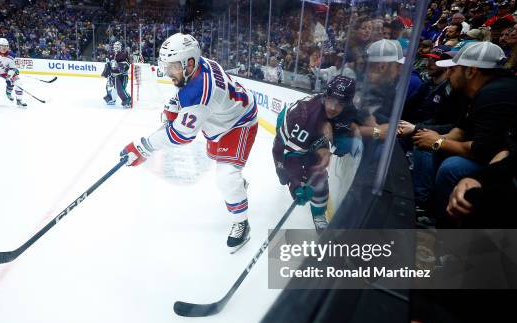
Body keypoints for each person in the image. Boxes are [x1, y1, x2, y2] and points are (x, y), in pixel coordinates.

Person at [119, 33, 258, 253]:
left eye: (172, 67)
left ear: (189, 63)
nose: (167, 72)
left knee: (226, 176)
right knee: (226, 172)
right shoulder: (197, 67)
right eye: (166, 66)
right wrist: (175, 103)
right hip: (219, 120)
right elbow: (184, 92)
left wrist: (143, 146)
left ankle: (242, 222)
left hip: (239, 123)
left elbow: (181, 136)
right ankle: (238, 186)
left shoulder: (200, 90)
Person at [411, 42, 517, 225]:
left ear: (471, 71)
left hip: (507, 166)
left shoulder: (494, 94)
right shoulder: (481, 90)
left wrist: (438, 143)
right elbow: (460, 130)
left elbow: (483, 150)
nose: (449, 74)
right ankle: (428, 207)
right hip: (497, 158)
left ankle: (447, 230)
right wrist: (431, 138)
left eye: (454, 69)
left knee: (453, 167)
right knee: (428, 144)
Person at [272, 76, 358, 232]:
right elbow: (291, 157)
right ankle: (288, 180)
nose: (333, 107)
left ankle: (319, 216)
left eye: (340, 104)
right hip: (288, 139)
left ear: (348, 103)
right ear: (325, 95)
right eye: (331, 100)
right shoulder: (304, 115)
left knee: (319, 177)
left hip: (313, 135)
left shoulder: (349, 111)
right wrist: (296, 183)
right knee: (285, 177)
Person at [101, 41, 131, 108]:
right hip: (112, 75)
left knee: (120, 89)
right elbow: (108, 64)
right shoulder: (110, 54)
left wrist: (118, 65)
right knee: (109, 88)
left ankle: (127, 101)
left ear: (120, 47)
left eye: (117, 46)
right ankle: (111, 99)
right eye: (115, 46)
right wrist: (106, 72)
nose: (116, 48)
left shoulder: (124, 54)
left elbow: (127, 65)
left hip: (121, 75)